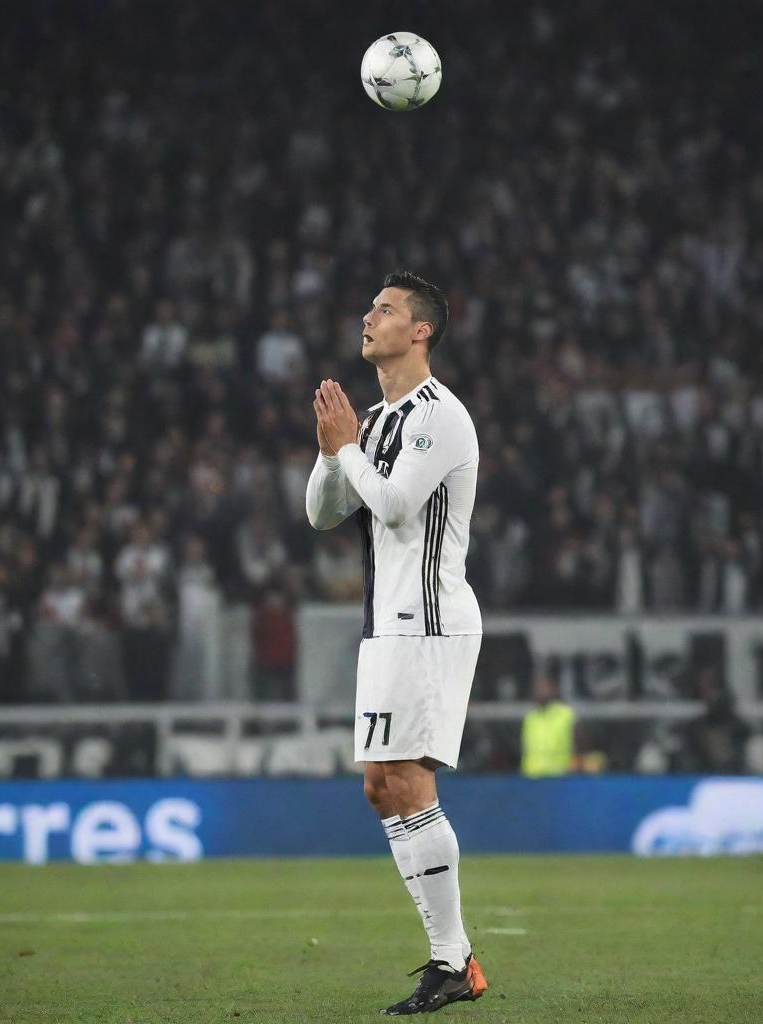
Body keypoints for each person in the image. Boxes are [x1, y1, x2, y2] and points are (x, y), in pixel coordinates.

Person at [305, 270, 489, 1014]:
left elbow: (395, 500)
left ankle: (454, 961)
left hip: (432, 621)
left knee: (407, 780)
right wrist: (329, 454)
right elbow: (323, 515)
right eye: (369, 306)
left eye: (384, 309)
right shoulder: (376, 423)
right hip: (386, 627)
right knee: (381, 785)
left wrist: (348, 450)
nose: (367, 316)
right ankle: (452, 958)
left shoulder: (439, 416)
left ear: (422, 331)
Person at [521, 675, 580, 777]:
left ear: (554, 689)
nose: (540, 692)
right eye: (537, 688)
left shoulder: (566, 714)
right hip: (532, 776)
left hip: (560, 775)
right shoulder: (530, 717)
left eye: (544, 688)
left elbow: (581, 743)